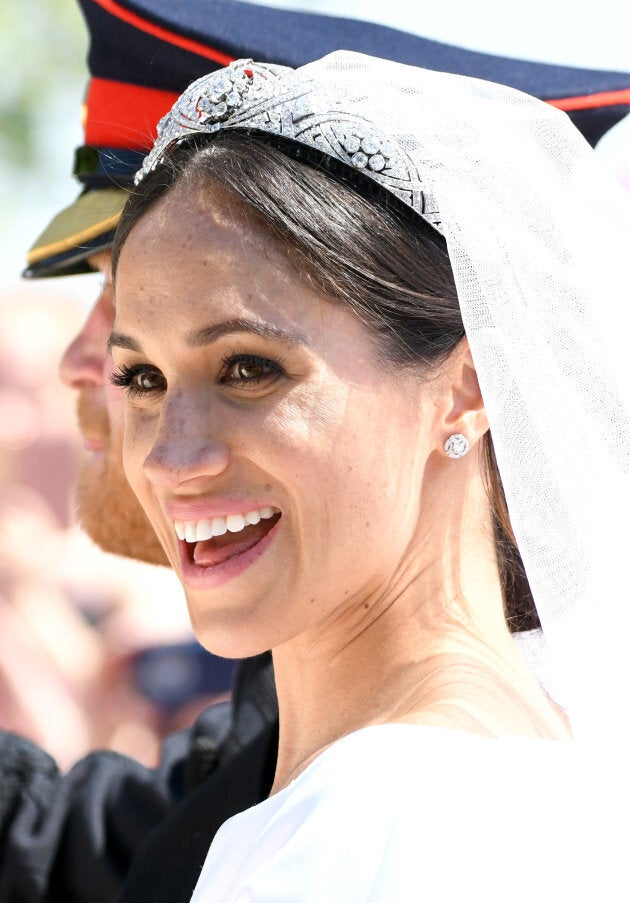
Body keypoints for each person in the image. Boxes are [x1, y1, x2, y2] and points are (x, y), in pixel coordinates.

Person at [3, 1, 628, 898]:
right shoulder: (501, 776)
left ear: (470, 381)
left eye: (250, 367)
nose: (171, 457)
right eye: (140, 374)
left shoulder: (382, 824)